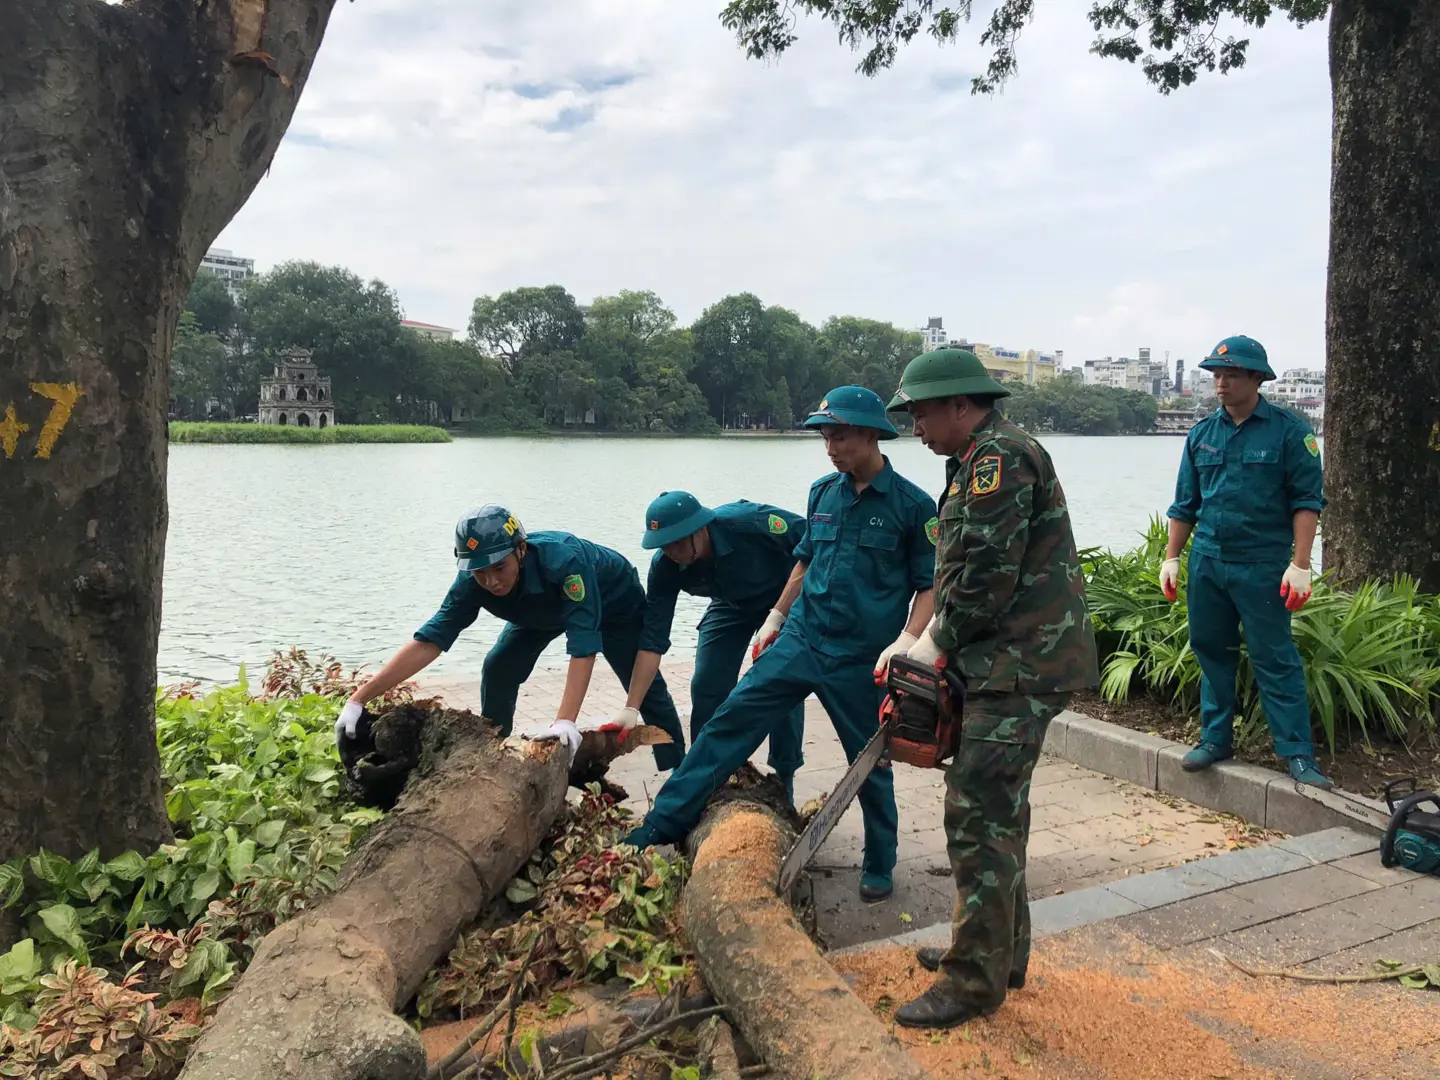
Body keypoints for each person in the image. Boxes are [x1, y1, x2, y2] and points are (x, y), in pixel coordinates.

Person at [624, 385, 938, 903]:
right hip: (801, 639)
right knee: (729, 722)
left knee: (869, 760)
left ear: (869, 434)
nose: (830, 447)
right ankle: (662, 822)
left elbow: (929, 585)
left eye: (838, 436)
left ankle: (880, 860)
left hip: (862, 655)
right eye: (825, 437)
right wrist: (775, 617)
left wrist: (908, 639)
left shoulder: (913, 507)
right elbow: (805, 560)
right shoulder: (822, 493)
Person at [885, 348, 1098, 1029]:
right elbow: (965, 571)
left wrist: (931, 647)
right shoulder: (977, 458)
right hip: (1007, 661)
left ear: (960, 404)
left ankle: (972, 982)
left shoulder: (998, 459)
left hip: (1020, 665)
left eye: (920, 411)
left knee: (977, 813)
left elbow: (984, 577)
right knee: (1001, 812)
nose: (913, 425)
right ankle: (999, 952)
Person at [334, 504, 686, 771]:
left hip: (612, 603)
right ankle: (493, 754)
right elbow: (431, 640)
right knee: (499, 667)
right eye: (479, 572)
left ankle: (677, 772)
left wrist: (565, 721)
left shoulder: (565, 563)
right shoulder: (472, 581)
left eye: (498, 567)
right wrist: (358, 699)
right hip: (538, 612)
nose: (491, 581)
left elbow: (583, 647)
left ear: (520, 549)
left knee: (646, 691)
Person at [1160, 335, 1330, 789]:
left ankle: (1296, 754)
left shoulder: (1291, 432)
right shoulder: (1201, 434)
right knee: (1211, 650)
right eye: (1216, 374)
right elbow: (1184, 504)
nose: (1220, 383)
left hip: (1261, 564)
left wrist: (1300, 563)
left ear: (1257, 378)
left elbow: (1307, 502)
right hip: (1209, 562)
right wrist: (1172, 558)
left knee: (1274, 656)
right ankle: (1215, 738)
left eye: (1231, 374)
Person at [623, 491, 808, 796]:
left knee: (782, 681)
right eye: (663, 544)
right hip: (731, 605)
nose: (671, 551)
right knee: (706, 683)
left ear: (700, 528)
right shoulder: (665, 567)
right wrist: (631, 707)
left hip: (785, 599)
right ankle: (705, 777)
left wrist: (778, 615)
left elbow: (815, 544)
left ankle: (784, 777)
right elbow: (652, 641)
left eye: (677, 541)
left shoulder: (750, 523)